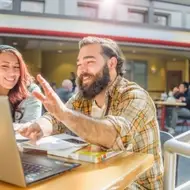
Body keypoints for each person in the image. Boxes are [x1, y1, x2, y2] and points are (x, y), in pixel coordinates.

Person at [19, 36, 163, 189]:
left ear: (111, 63)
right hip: (101, 175)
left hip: (135, 184)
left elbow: (116, 134)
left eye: (90, 62)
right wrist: (39, 126)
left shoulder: (135, 96)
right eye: (79, 64)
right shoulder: (84, 97)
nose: (82, 69)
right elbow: (56, 119)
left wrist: (63, 113)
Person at [0, 45, 42, 124]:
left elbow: (29, 129)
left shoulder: (31, 91)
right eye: (4, 66)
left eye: (16, 67)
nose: (12, 73)